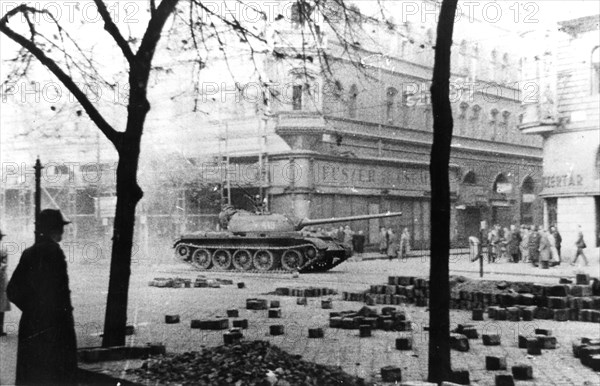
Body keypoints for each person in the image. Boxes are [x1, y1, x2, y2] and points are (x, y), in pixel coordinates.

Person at [7, 209, 78, 385]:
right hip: (55, 327)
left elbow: (12, 289)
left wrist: (33, 309)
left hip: (32, 326)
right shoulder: (55, 252)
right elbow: (60, 294)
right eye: (61, 227)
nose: (63, 231)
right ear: (55, 229)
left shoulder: (29, 253)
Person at [0, 230, 10, 337]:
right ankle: (0, 329)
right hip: (1, 278)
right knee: (1, 304)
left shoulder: (2, 249)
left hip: (1, 278)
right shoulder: (3, 249)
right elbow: (4, 264)